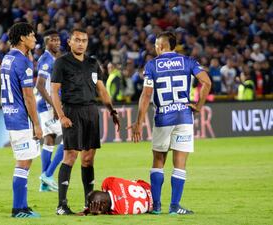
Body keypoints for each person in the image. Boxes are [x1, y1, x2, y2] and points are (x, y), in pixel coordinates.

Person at [130, 31, 211, 215]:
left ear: (161, 46)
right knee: (180, 163)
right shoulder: (188, 61)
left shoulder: (152, 65)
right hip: (184, 116)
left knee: (158, 161)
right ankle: (175, 206)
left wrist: (139, 122)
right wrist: (198, 106)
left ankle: (156, 206)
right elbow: (206, 83)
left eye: (156, 45)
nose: (154, 48)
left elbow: (147, 94)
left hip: (163, 118)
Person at [51, 28, 120, 215]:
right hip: (72, 111)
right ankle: (62, 205)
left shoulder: (92, 63)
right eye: (77, 40)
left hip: (91, 111)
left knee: (88, 159)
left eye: (84, 40)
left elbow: (102, 89)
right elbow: (54, 91)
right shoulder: (61, 63)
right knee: (71, 155)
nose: (81, 43)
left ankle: (89, 204)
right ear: (70, 42)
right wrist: (62, 115)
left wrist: (112, 110)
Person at [0, 22, 42, 218]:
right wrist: (37, 124)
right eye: (32, 36)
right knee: (23, 162)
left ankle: (23, 206)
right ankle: (18, 209)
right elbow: (28, 96)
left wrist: (28, 56)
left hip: (10, 115)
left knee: (26, 161)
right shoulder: (23, 62)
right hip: (21, 119)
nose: (35, 39)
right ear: (23, 38)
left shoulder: (8, 58)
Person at [35, 29, 64, 192]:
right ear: (47, 42)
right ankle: (49, 174)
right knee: (69, 138)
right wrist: (54, 105)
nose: (57, 42)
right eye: (53, 40)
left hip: (45, 106)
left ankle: (44, 183)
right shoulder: (46, 59)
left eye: (58, 39)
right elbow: (40, 85)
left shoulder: (52, 58)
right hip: (48, 107)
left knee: (50, 140)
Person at [85, 177, 153, 215]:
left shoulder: (118, 211)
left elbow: (105, 211)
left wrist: (90, 212)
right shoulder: (109, 181)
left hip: (151, 205)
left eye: (98, 207)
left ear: (104, 204)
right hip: (147, 187)